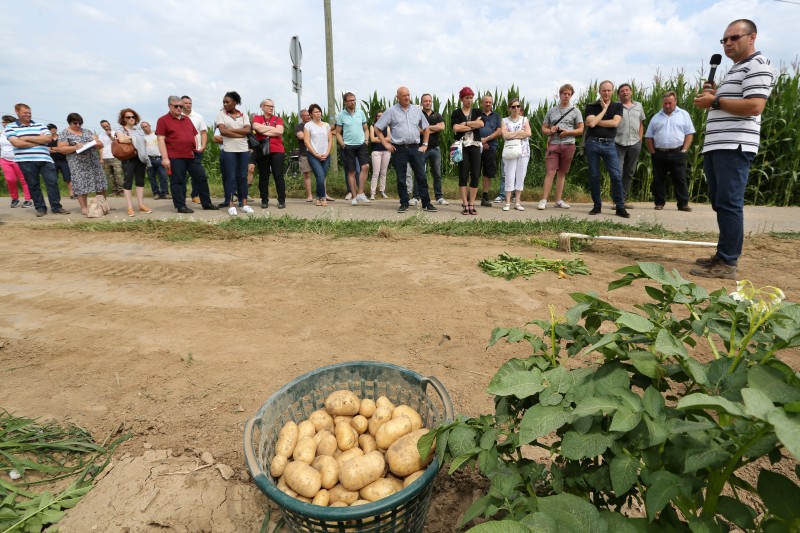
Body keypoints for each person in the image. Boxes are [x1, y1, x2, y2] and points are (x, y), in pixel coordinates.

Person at [691, 19, 775, 280]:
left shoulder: (757, 66)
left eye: (734, 37)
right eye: (724, 40)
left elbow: (754, 107)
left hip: (734, 145)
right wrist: (715, 97)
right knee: (721, 202)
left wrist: (714, 101)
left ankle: (728, 262)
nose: (728, 43)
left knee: (729, 203)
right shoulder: (736, 69)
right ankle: (723, 254)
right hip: (718, 145)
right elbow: (732, 103)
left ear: (752, 38)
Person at [375, 86, 436, 213]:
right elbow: (377, 128)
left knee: (421, 176)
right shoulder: (391, 111)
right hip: (399, 149)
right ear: (398, 97)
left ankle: (426, 203)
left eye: (408, 94)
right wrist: (386, 145)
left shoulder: (417, 110)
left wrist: (425, 144)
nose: (407, 97)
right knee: (401, 178)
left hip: (415, 148)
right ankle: (404, 203)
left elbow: (426, 128)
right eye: (404, 95)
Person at [156, 95, 218, 214]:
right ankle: (180, 206)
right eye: (176, 106)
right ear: (169, 106)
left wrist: (197, 147)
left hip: (191, 155)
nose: (179, 108)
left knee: (201, 177)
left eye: (181, 106)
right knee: (178, 181)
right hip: (175, 156)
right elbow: (160, 139)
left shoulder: (186, 119)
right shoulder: (163, 120)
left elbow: (195, 135)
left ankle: (206, 203)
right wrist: (165, 158)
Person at [4, 103, 69, 217]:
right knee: (33, 184)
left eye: (29, 112)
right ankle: (40, 208)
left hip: (45, 159)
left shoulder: (40, 125)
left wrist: (26, 138)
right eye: (25, 113)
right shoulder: (11, 127)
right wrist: (38, 141)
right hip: (25, 160)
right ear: (17, 112)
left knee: (52, 182)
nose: (28, 115)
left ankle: (56, 207)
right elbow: (16, 143)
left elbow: (48, 139)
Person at [584, 81, 629, 218]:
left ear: (612, 91)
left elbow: (615, 122)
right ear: (599, 91)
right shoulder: (591, 106)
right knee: (594, 176)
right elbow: (590, 123)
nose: (606, 93)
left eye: (609, 90)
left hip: (609, 144)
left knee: (615, 175)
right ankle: (597, 206)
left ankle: (620, 207)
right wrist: (603, 110)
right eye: (604, 90)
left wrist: (597, 122)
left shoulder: (617, 106)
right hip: (592, 143)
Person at [645, 91, 695, 212]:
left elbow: (689, 134)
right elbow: (649, 136)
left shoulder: (683, 114)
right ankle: (659, 203)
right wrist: (652, 152)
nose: (667, 105)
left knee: (680, 179)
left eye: (670, 103)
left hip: (678, 153)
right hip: (659, 153)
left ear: (675, 101)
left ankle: (683, 204)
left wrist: (684, 150)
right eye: (665, 103)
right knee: (658, 179)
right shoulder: (656, 117)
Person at [540, 84, 583, 210]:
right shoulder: (551, 111)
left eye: (569, 94)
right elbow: (543, 128)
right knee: (550, 171)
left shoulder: (576, 111)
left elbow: (581, 130)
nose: (567, 96)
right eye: (565, 93)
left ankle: (558, 200)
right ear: (560, 94)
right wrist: (550, 131)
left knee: (562, 173)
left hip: (568, 144)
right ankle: (544, 200)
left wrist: (568, 132)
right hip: (553, 144)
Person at [56, 113, 107, 216]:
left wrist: (96, 143)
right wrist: (75, 147)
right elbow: (61, 149)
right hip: (77, 164)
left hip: (93, 162)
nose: (78, 125)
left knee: (100, 183)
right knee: (81, 185)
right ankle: (84, 207)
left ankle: (101, 205)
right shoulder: (64, 133)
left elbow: (100, 144)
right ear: (69, 123)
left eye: (80, 123)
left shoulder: (87, 131)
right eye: (75, 123)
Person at [216, 91, 253, 216]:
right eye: (224, 102)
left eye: (228, 102)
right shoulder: (221, 114)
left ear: (235, 102)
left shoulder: (243, 115)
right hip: (229, 150)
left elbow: (247, 130)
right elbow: (222, 131)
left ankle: (244, 203)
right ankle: (231, 204)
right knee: (230, 178)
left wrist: (230, 130)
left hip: (243, 150)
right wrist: (240, 133)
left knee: (242, 177)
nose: (225, 104)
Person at [451, 86, 484, 215]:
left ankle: (472, 203)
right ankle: (465, 203)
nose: (469, 100)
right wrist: (471, 124)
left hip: (475, 145)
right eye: (467, 98)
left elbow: (481, 124)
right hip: (462, 146)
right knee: (463, 174)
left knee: (475, 175)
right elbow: (455, 128)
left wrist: (463, 124)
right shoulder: (456, 113)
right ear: (461, 99)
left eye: (471, 98)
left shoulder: (477, 111)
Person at [114, 108, 153, 216]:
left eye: (133, 116)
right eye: (128, 117)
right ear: (123, 119)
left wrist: (131, 138)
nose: (131, 118)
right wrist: (136, 139)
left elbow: (144, 141)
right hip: (128, 158)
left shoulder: (138, 130)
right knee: (128, 182)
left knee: (140, 182)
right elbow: (121, 140)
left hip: (140, 158)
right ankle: (130, 207)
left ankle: (141, 205)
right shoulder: (120, 128)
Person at [335, 92, 371, 206]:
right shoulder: (341, 115)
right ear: (345, 102)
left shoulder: (361, 112)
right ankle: (354, 196)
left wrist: (366, 140)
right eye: (350, 100)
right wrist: (343, 144)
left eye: (354, 100)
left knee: (365, 167)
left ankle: (360, 193)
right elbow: (338, 133)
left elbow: (366, 128)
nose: (352, 102)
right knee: (351, 171)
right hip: (348, 146)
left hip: (361, 144)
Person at [614, 83, 646, 207]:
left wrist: (640, 140)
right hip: (618, 142)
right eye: (622, 91)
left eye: (627, 90)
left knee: (629, 172)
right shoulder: (615, 106)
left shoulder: (639, 106)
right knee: (618, 172)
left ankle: (622, 200)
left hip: (635, 143)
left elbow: (641, 123)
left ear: (631, 92)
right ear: (618, 94)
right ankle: (617, 200)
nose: (625, 92)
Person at [251, 98, 286, 209]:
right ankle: (264, 200)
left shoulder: (278, 119)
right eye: (268, 106)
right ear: (262, 107)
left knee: (278, 175)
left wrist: (264, 130)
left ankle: (281, 200)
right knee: (263, 176)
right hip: (262, 150)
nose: (271, 108)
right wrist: (272, 129)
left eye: (272, 106)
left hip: (277, 150)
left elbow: (280, 131)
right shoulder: (257, 118)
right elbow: (256, 128)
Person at [500, 98, 531, 211]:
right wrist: (519, 133)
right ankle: (507, 202)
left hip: (524, 151)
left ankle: (517, 202)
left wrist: (511, 134)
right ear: (509, 108)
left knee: (521, 175)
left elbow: (528, 133)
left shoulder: (524, 120)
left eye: (518, 106)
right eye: (513, 106)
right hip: (510, 151)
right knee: (509, 175)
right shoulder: (505, 120)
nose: (516, 108)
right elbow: (504, 135)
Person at [419, 94, 447, 205]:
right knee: (419, 173)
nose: (428, 103)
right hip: (421, 148)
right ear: (422, 103)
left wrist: (425, 129)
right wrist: (434, 128)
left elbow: (442, 127)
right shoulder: (418, 115)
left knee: (437, 174)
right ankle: (416, 197)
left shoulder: (437, 115)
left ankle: (439, 197)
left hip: (435, 148)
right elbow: (417, 130)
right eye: (425, 101)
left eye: (429, 101)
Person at [181, 95, 208, 205]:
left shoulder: (198, 117)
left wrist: (203, 146)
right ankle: (181, 197)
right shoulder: (178, 116)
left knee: (197, 175)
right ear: (181, 104)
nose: (188, 105)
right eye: (186, 103)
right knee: (181, 175)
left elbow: (203, 132)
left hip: (196, 150)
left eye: (190, 103)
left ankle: (195, 195)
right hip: (181, 151)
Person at [1, 114, 33, 208]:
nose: (4, 124)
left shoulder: (17, 132)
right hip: (4, 159)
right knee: (10, 179)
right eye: (3, 122)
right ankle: (15, 199)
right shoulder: (2, 133)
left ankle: (28, 200)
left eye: (6, 122)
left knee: (23, 180)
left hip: (18, 159)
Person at [304, 103, 333, 206]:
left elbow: (330, 140)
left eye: (319, 111)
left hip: (325, 154)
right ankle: (322, 197)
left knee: (322, 176)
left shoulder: (326, 125)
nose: (318, 113)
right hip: (313, 155)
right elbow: (307, 142)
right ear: (311, 114)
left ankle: (318, 197)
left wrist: (327, 152)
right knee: (320, 176)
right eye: (316, 112)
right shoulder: (308, 125)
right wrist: (316, 154)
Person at [477, 94, 501, 207]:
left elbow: (499, 131)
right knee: (474, 171)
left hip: (491, 147)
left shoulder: (496, 116)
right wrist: (479, 141)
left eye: (489, 102)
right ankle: (470, 197)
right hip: (476, 146)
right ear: (482, 102)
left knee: (487, 173)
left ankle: (485, 197)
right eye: (486, 102)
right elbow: (471, 129)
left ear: (492, 103)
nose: (487, 104)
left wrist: (486, 139)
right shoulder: (476, 114)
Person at [141, 121, 169, 199]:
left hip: (159, 158)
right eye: (143, 127)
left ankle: (164, 193)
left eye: (146, 126)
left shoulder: (156, 135)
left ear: (149, 125)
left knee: (163, 176)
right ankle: (156, 193)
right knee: (152, 177)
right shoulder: (143, 137)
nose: (145, 128)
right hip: (149, 159)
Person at [47, 123, 73, 199]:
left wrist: (53, 148)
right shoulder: (47, 139)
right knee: (53, 178)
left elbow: (65, 148)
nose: (48, 131)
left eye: (50, 129)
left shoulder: (61, 138)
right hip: (52, 161)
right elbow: (48, 150)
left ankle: (72, 193)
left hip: (64, 161)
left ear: (55, 129)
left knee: (68, 178)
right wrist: (59, 149)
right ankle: (55, 194)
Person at [294, 108, 315, 202]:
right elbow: (301, 136)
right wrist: (314, 135)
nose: (308, 117)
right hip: (304, 153)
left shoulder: (316, 124)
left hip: (317, 153)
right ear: (301, 116)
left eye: (309, 115)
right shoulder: (298, 126)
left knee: (321, 174)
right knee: (307, 175)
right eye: (306, 115)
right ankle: (309, 195)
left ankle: (324, 194)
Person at [98, 120, 123, 195]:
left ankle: (121, 190)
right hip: (106, 157)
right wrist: (101, 158)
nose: (106, 127)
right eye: (104, 126)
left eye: (107, 126)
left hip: (115, 156)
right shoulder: (101, 135)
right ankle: (114, 191)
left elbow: (117, 143)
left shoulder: (115, 132)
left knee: (118, 175)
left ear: (109, 124)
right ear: (101, 127)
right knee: (110, 176)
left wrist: (110, 135)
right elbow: (100, 147)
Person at [369, 111, 390, 200]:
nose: (380, 117)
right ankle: (372, 193)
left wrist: (379, 138)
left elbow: (389, 138)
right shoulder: (372, 126)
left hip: (386, 151)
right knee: (375, 172)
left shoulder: (387, 126)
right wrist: (383, 139)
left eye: (382, 116)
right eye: (378, 116)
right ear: (376, 117)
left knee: (383, 172)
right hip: (376, 152)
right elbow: (372, 139)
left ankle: (382, 191)